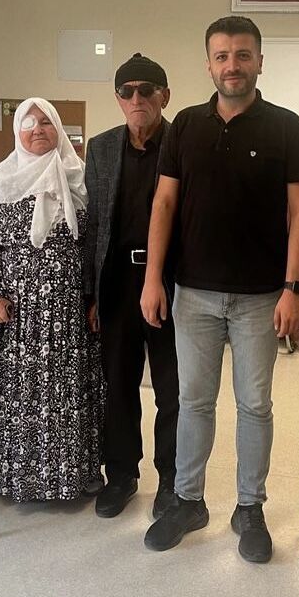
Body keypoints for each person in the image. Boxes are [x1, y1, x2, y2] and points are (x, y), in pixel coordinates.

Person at [140, 15, 299, 563]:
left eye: (242, 55)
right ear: (209, 64)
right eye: (222, 56)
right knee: (193, 401)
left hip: (261, 297)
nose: (231, 65)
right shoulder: (185, 127)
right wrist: (152, 278)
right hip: (193, 294)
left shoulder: (286, 128)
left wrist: (293, 288)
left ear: (259, 61)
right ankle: (188, 501)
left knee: (255, 405)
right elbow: (164, 202)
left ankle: (249, 508)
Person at [0, 98, 102, 502]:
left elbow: (94, 244)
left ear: (59, 129)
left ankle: (71, 477)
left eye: (47, 123)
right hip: (19, 312)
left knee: (68, 392)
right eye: (29, 123)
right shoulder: (0, 179)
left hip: (68, 308)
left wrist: (95, 297)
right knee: (22, 394)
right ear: (17, 131)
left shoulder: (80, 177)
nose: (38, 130)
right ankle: (20, 480)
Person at [84, 53, 179, 520]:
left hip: (171, 283)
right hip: (118, 281)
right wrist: (91, 295)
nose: (137, 98)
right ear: (118, 99)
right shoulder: (101, 148)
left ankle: (173, 481)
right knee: (118, 384)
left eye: (147, 90)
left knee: (171, 389)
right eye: (127, 91)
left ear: (165, 96)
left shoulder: (183, 144)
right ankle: (121, 474)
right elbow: (94, 225)